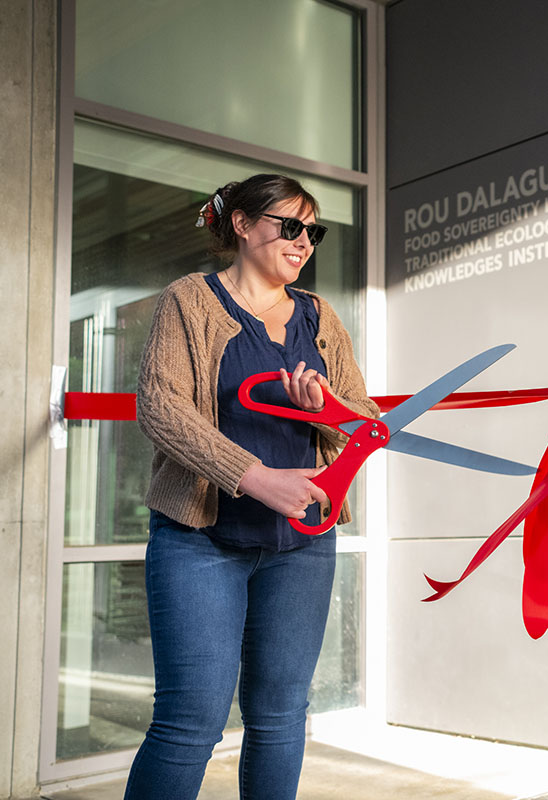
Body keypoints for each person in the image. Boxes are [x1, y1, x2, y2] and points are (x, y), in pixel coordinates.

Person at [127, 174, 378, 800]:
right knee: (190, 724)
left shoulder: (320, 316)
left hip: (301, 543)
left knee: (281, 718)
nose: (303, 243)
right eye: (289, 226)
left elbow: (365, 423)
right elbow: (161, 409)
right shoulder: (190, 300)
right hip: (200, 541)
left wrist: (325, 410)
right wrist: (255, 478)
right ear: (241, 224)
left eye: (311, 232)